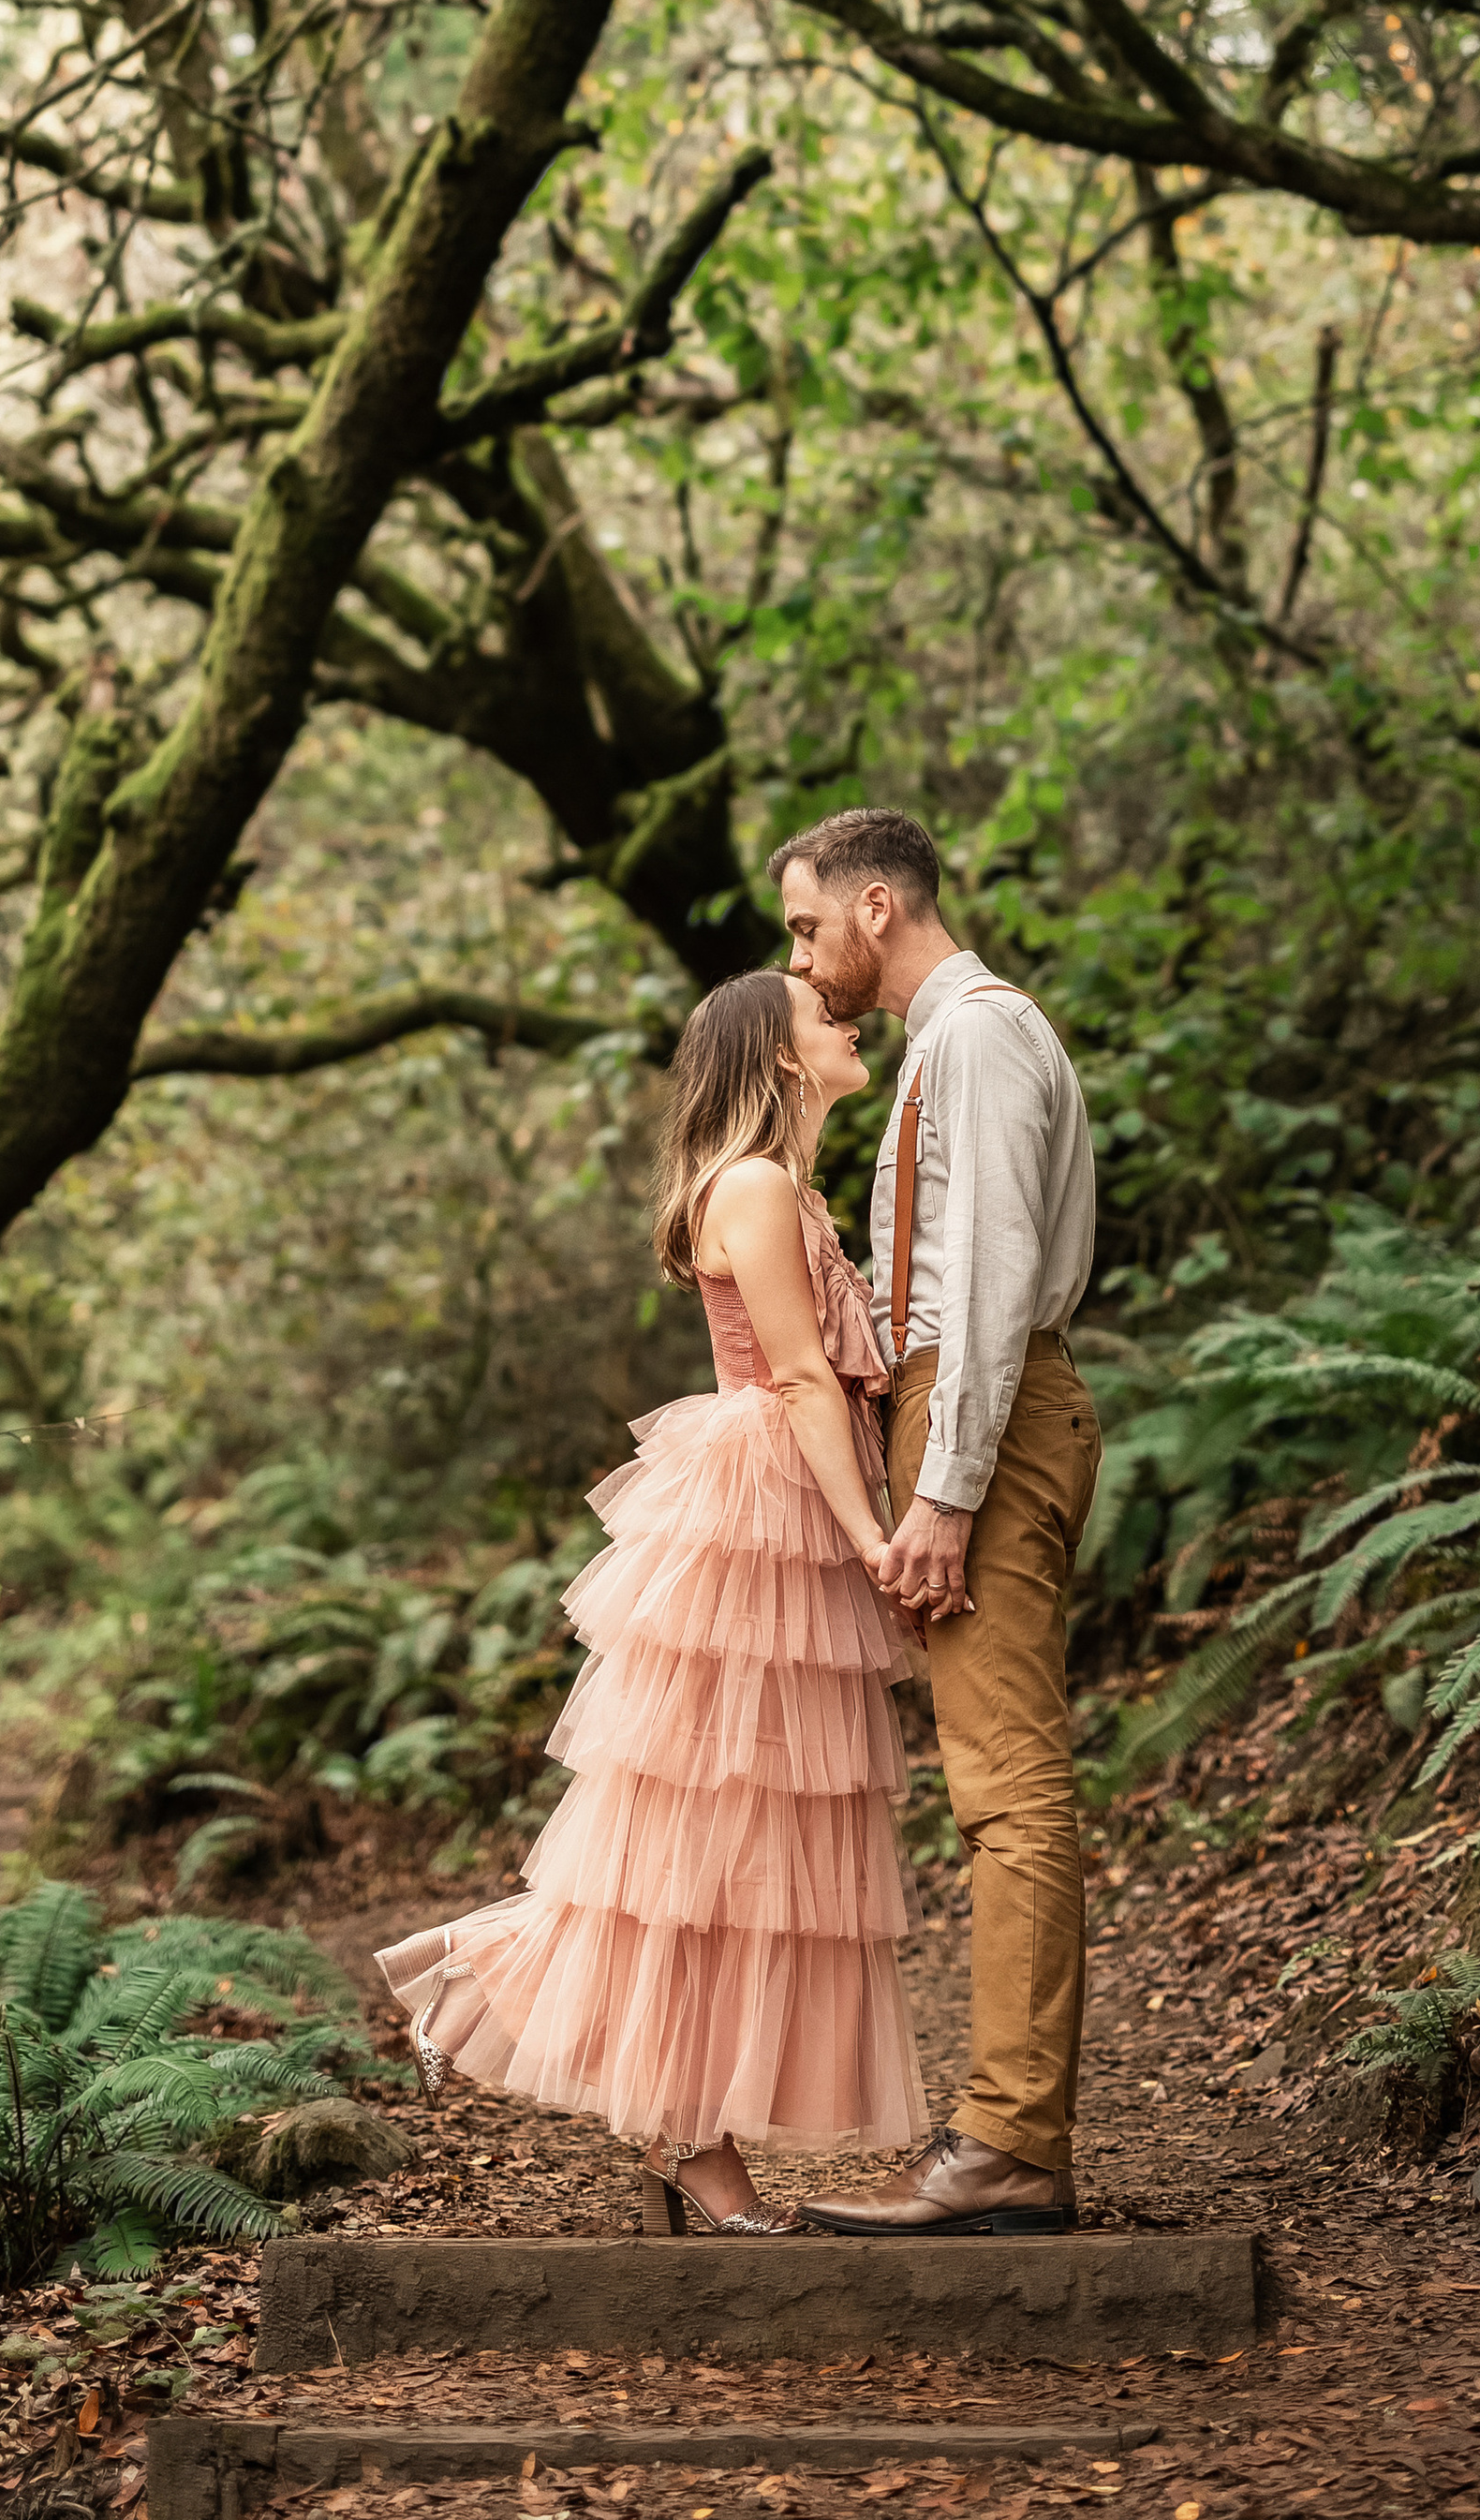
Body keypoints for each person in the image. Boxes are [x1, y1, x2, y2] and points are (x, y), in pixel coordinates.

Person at [375, 968, 926, 2233]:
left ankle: (679, 2120)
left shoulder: (783, 1186)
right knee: (708, 1841)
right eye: (816, 1012)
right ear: (779, 1059)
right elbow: (797, 1381)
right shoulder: (756, 1186)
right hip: (765, 1514)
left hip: (784, 1508)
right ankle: (621, 2074)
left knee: (750, 1844)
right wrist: (873, 1534)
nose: (843, 1015)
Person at [776, 808, 1100, 2236]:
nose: (802, 956)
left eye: (806, 926)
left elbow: (982, 1281)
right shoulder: (949, 1046)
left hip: (990, 1415)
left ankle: (1013, 2144)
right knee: (991, 1781)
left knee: (1009, 1784)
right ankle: (1006, 2135)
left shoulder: (971, 1039)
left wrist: (947, 1492)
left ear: (876, 905)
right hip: (977, 1412)